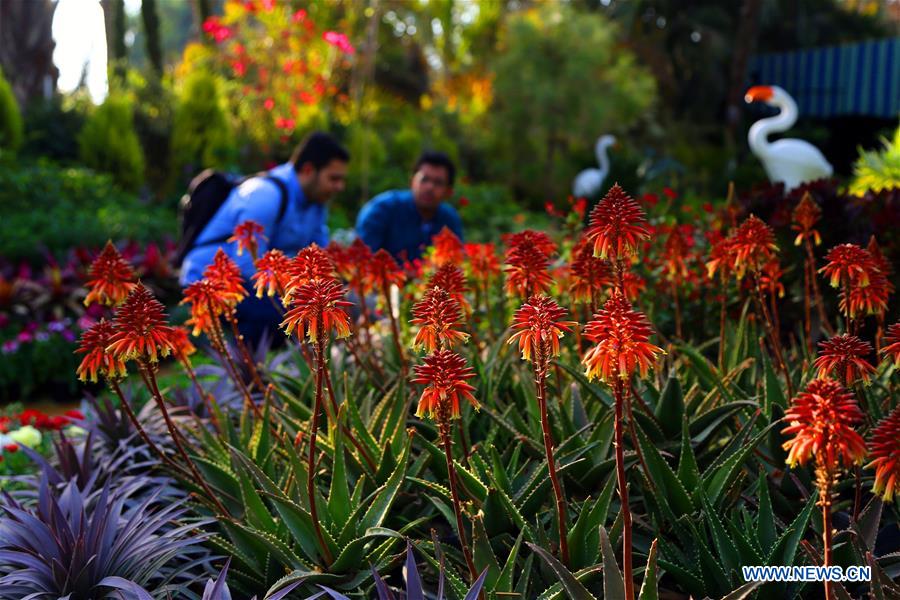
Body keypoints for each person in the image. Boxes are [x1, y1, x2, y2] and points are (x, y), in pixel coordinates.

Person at [179, 131, 349, 346]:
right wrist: (294, 294)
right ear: (308, 170)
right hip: (214, 280)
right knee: (284, 317)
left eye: (342, 180)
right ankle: (245, 361)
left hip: (265, 281)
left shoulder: (317, 202)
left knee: (330, 306)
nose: (339, 187)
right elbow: (245, 266)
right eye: (333, 179)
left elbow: (320, 255)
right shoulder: (265, 195)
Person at [355, 151, 463, 262]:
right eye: (424, 179)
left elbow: (457, 262)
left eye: (438, 182)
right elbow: (364, 261)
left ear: (448, 192)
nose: (430, 187)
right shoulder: (381, 210)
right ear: (412, 182)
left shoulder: (450, 219)